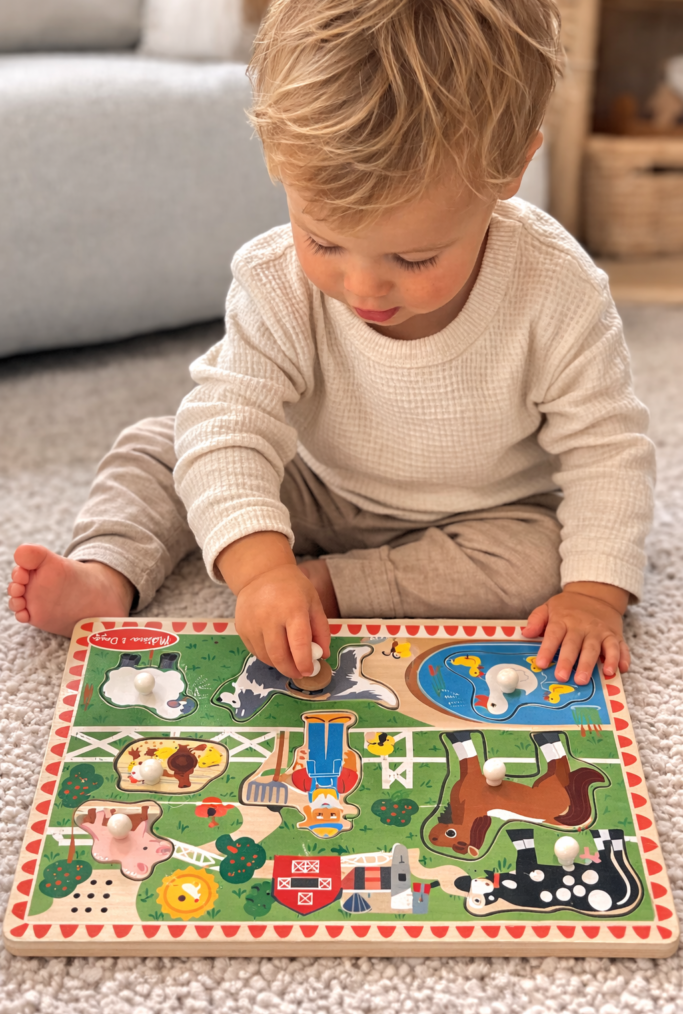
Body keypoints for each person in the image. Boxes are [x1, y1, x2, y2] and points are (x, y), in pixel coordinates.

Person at [7, 0, 655, 692]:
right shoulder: (273, 278)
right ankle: (107, 573)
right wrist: (257, 568)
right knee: (163, 446)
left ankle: (325, 587)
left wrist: (592, 597)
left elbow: (604, 451)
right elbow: (232, 423)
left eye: (413, 257)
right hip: (313, 484)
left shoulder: (556, 286)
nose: (362, 285)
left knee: (544, 561)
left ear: (512, 167)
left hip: (480, 512)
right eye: (323, 241)